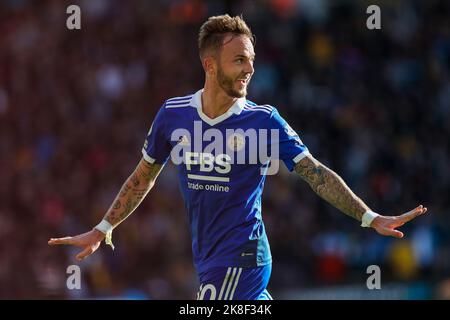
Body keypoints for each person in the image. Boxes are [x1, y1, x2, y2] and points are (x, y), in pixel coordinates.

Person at [48, 14, 427, 300]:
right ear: (210, 65)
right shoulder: (173, 114)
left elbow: (315, 173)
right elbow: (142, 177)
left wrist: (368, 216)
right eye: (239, 60)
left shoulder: (263, 121)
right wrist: (103, 228)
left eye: (251, 59)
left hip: (242, 258)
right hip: (208, 258)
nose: (250, 68)